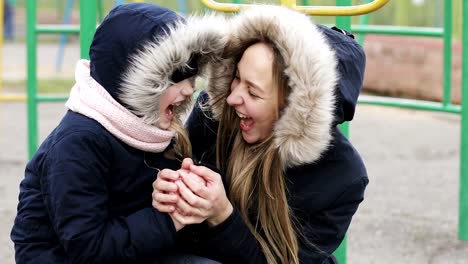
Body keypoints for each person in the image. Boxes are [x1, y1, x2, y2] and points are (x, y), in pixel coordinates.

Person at [10, 3, 226, 263]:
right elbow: (88, 248)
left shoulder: (148, 129)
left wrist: (184, 194)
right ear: (133, 82)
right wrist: (169, 217)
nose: (189, 90)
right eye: (176, 77)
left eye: (192, 78)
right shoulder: (78, 143)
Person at [153, 5, 368, 264]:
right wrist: (166, 183)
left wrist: (222, 215)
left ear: (297, 110)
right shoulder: (214, 116)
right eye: (236, 78)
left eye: (253, 92)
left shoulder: (343, 178)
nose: (232, 98)